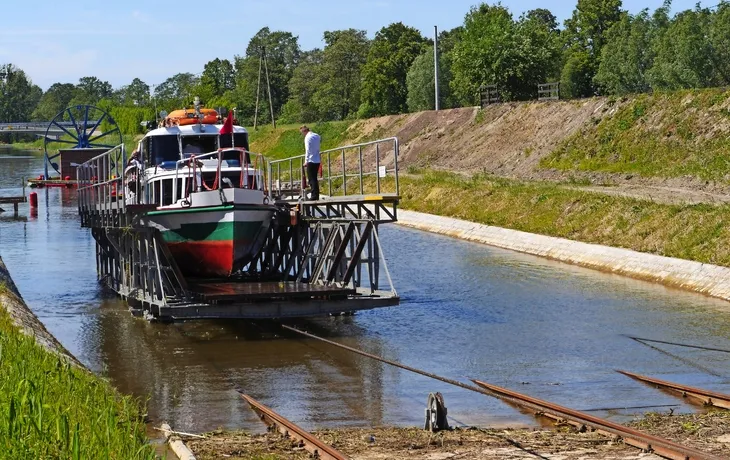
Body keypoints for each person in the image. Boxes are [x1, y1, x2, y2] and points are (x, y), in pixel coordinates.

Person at [300, 125, 321, 200]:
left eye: (302, 132)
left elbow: (307, 150)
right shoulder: (317, 136)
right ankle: (316, 195)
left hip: (311, 160)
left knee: (311, 179)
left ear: (304, 131)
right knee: (315, 178)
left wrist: (306, 161)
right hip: (317, 159)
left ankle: (314, 195)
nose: (302, 134)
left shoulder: (307, 138)